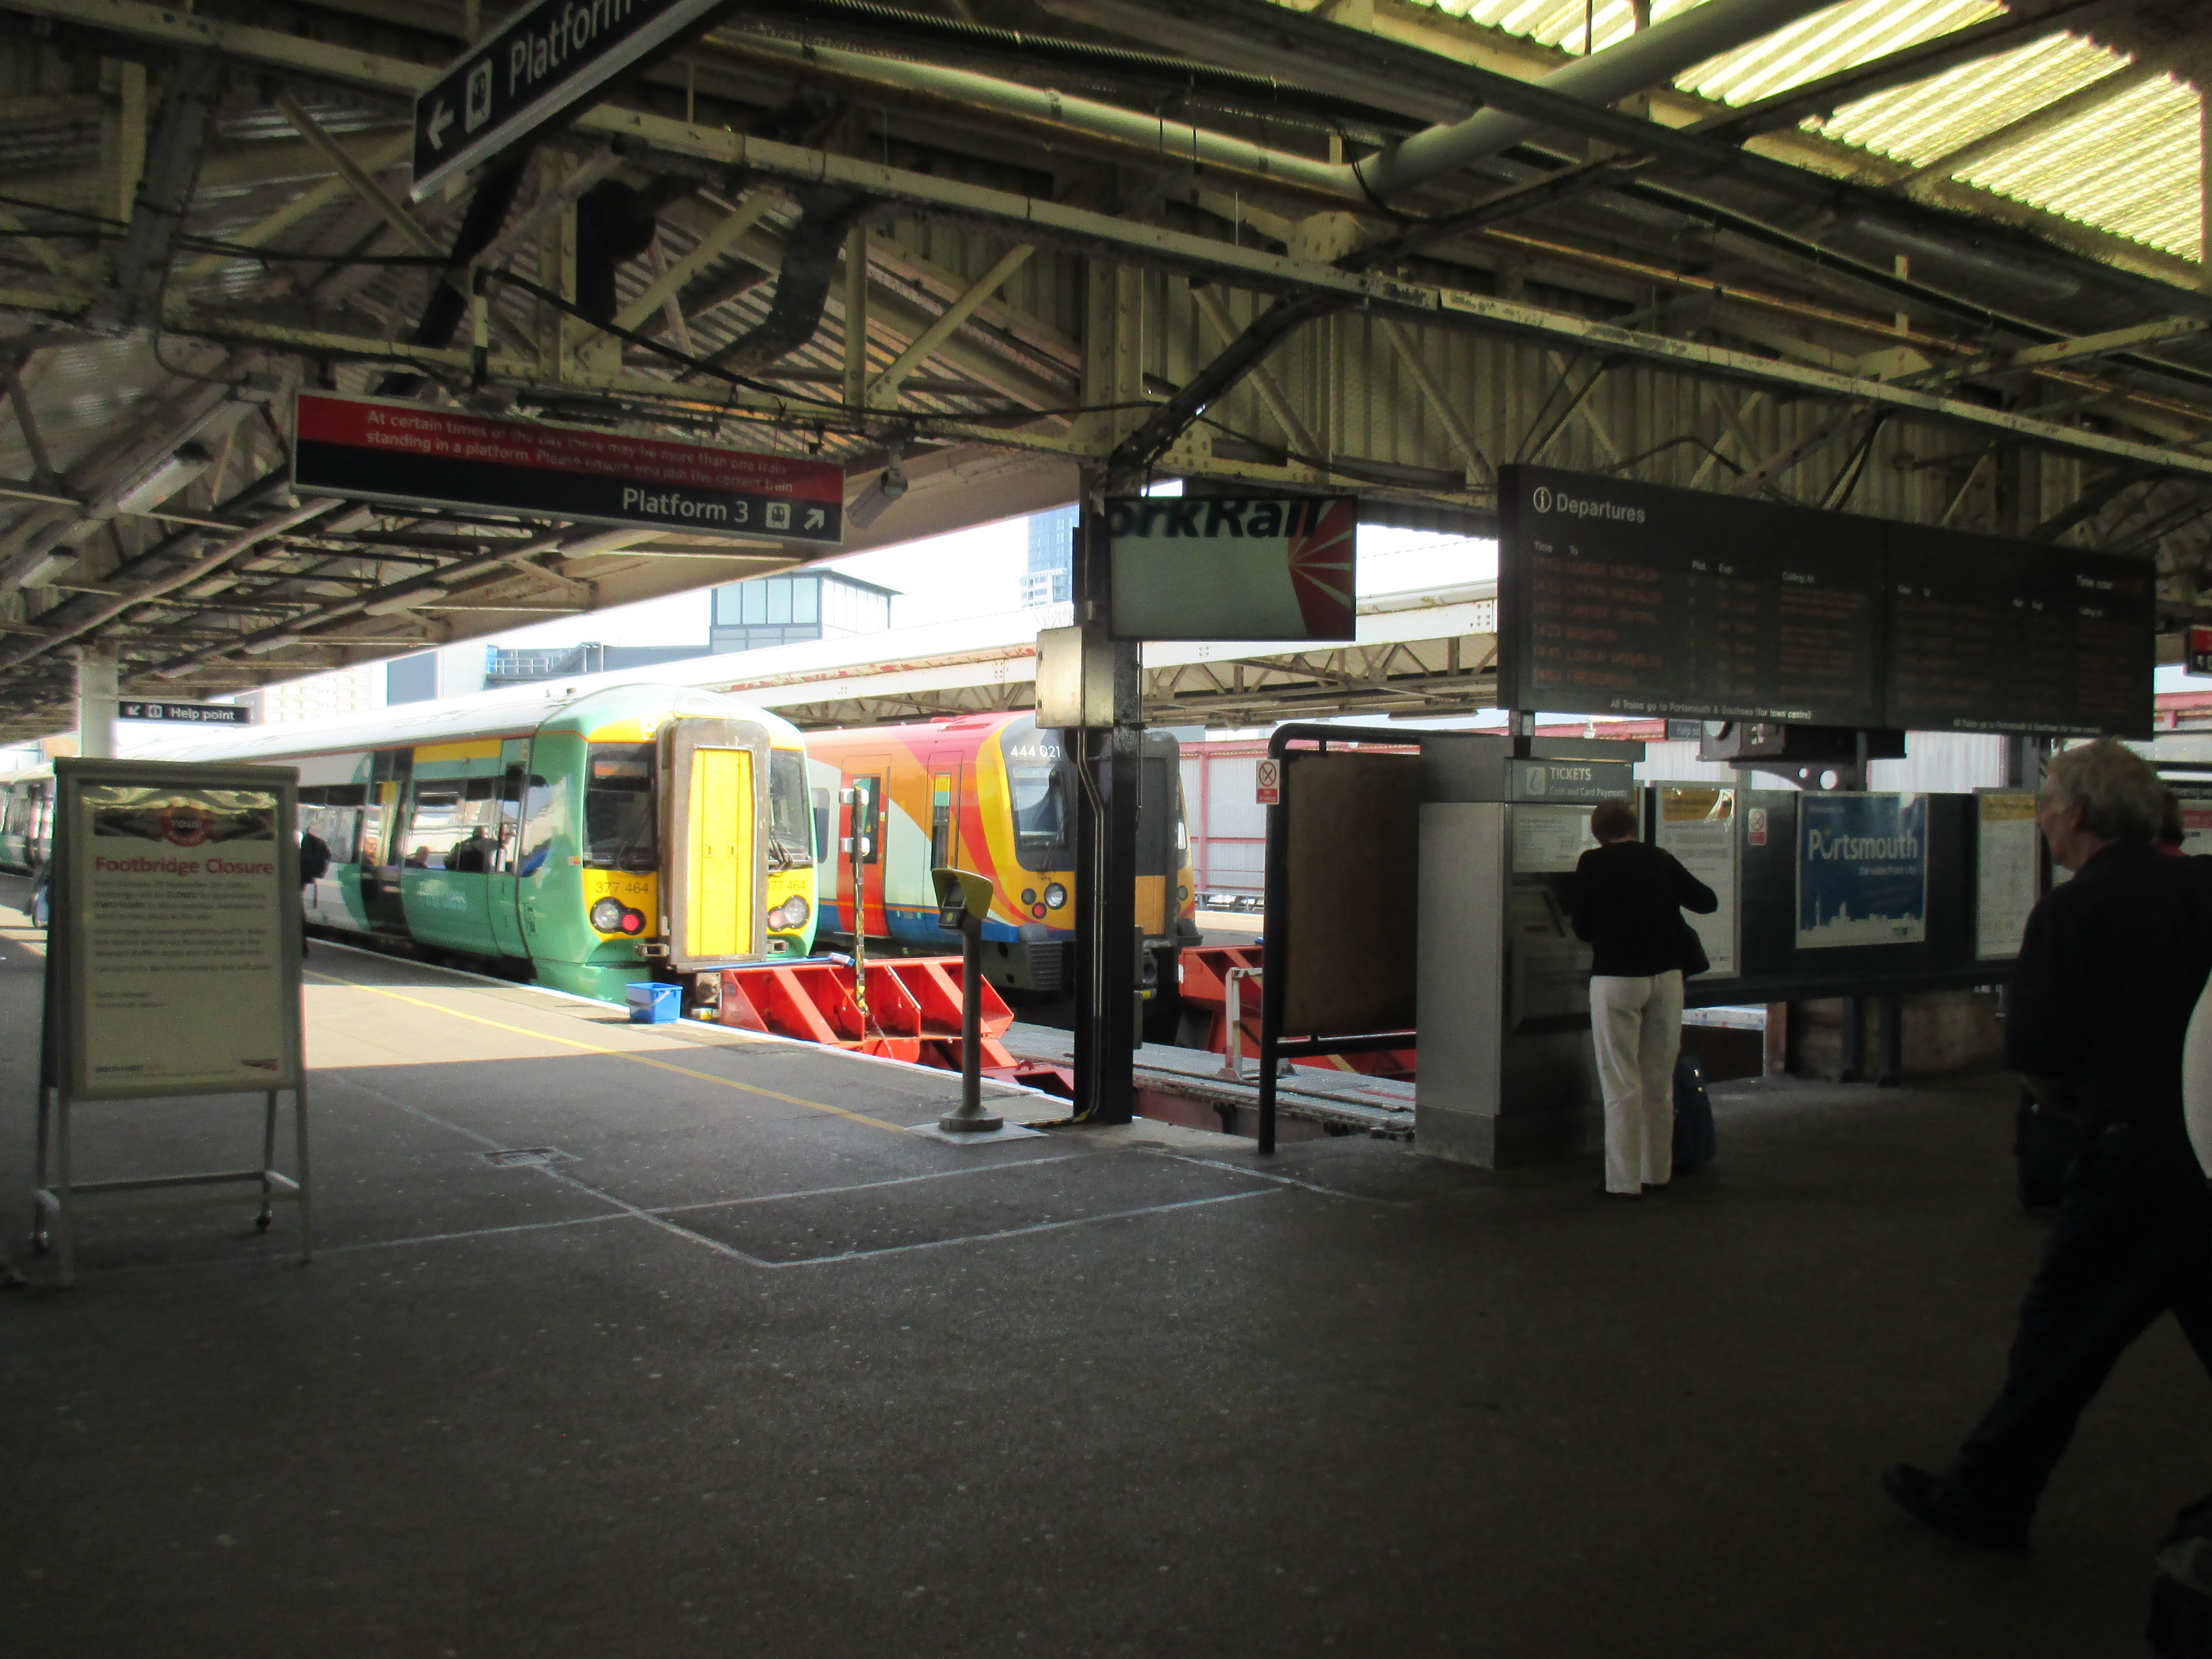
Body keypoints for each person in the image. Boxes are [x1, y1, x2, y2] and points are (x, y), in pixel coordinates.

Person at [1886, 739, 2212, 1553]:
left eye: (2045, 807)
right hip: (2208, 1152)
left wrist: (2080, 1112)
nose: (2040, 822)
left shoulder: (2072, 911)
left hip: (2130, 1165)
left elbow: (2037, 1060)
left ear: (2076, 815)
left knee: (2060, 1336)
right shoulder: (2205, 888)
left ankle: (1984, 1500)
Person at [1571, 796, 1718, 1199]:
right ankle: (1657, 1173)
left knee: (1621, 1082)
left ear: (1597, 833)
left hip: (1617, 977)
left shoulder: (1592, 863)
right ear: (1633, 826)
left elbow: (1581, 927)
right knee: (1658, 1080)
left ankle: (1623, 1182)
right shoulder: (1659, 859)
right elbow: (1707, 901)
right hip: (1667, 977)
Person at [298, 824, 329, 959]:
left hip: (292, 878)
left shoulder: (295, 836)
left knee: (292, 913)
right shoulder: (309, 840)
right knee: (296, 912)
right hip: (301, 879)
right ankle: (301, 948)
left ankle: (300, 948)